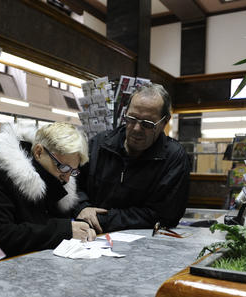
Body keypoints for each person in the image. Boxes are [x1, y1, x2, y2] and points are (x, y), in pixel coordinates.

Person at [0, 122, 95, 257]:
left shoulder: (56, 182)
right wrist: (64, 231)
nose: (67, 179)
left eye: (73, 171)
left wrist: (80, 229)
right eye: (63, 168)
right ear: (39, 152)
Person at [75, 83, 191, 234]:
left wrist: (103, 219)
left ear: (164, 122)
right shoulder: (99, 144)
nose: (136, 128)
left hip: (143, 247)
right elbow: (73, 184)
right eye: (131, 119)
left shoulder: (174, 159)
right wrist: (83, 207)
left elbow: (165, 215)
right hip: (88, 238)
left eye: (147, 124)